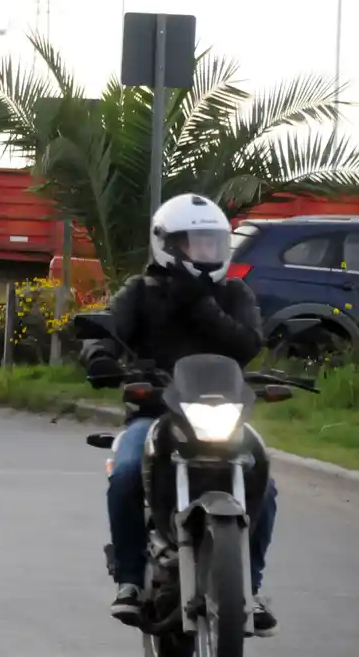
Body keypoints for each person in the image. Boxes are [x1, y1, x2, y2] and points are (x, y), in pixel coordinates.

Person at [82, 193, 275, 636]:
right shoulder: (141, 291)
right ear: (168, 245)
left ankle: (251, 586)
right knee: (128, 469)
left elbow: (247, 345)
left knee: (266, 477)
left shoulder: (233, 293)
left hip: (222, 413)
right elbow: (107, 328)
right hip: (154, 413)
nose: (206, 253)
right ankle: (130, 580)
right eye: (195, 244)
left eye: (212, 244)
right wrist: (99, 355)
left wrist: (199, 304)